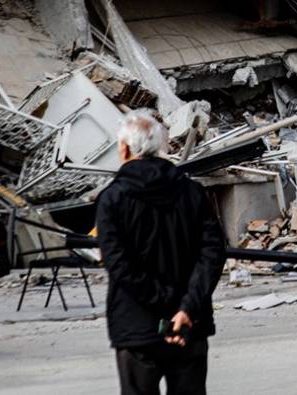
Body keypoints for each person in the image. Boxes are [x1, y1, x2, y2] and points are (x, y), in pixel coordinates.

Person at [96, 110, 226, 395]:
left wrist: (165, 307)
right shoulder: (192, 192)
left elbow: (119, 265)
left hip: (137, 327)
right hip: (189, 325)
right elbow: (213, 253)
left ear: (124, 148)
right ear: (158, 148)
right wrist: (185, 309)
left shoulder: (112, 200)